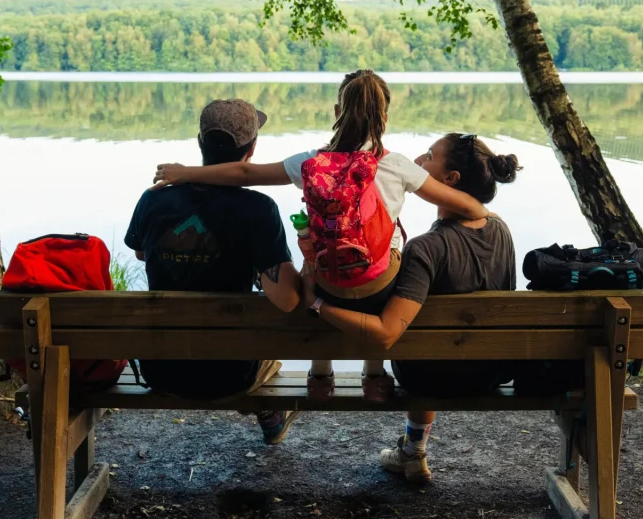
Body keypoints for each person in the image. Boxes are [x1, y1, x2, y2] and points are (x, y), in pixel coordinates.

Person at [151, 71, 491, 403]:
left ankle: (320, 374)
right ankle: (374, 375)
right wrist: (481, 210)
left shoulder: (310, 162)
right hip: (378, 288)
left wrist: (187, 173)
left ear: (336, 113)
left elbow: (244, 172)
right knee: (393, 250)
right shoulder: (399, 166)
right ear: (384, 117)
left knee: (313, 257)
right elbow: (469, 207)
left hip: (328, 286)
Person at [302, 132, 521, 483]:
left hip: (431, 376)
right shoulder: (502, 230)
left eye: (430, 156)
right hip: (492, 372)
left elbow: (386, 335)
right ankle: (412, 451)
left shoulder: (425, 249)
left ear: (450, 181)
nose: (419, 160)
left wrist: (317, 303)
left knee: (415, 337)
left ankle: (414, 450)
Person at [125, 99, 301, 445]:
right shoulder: (259, 209)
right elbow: (289, 299)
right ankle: (269, 415)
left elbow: (142, 252)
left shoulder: (154, 200)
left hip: (160, 369)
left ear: (199, 142)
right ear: (252, 150)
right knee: (269, 358)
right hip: (229, 374)